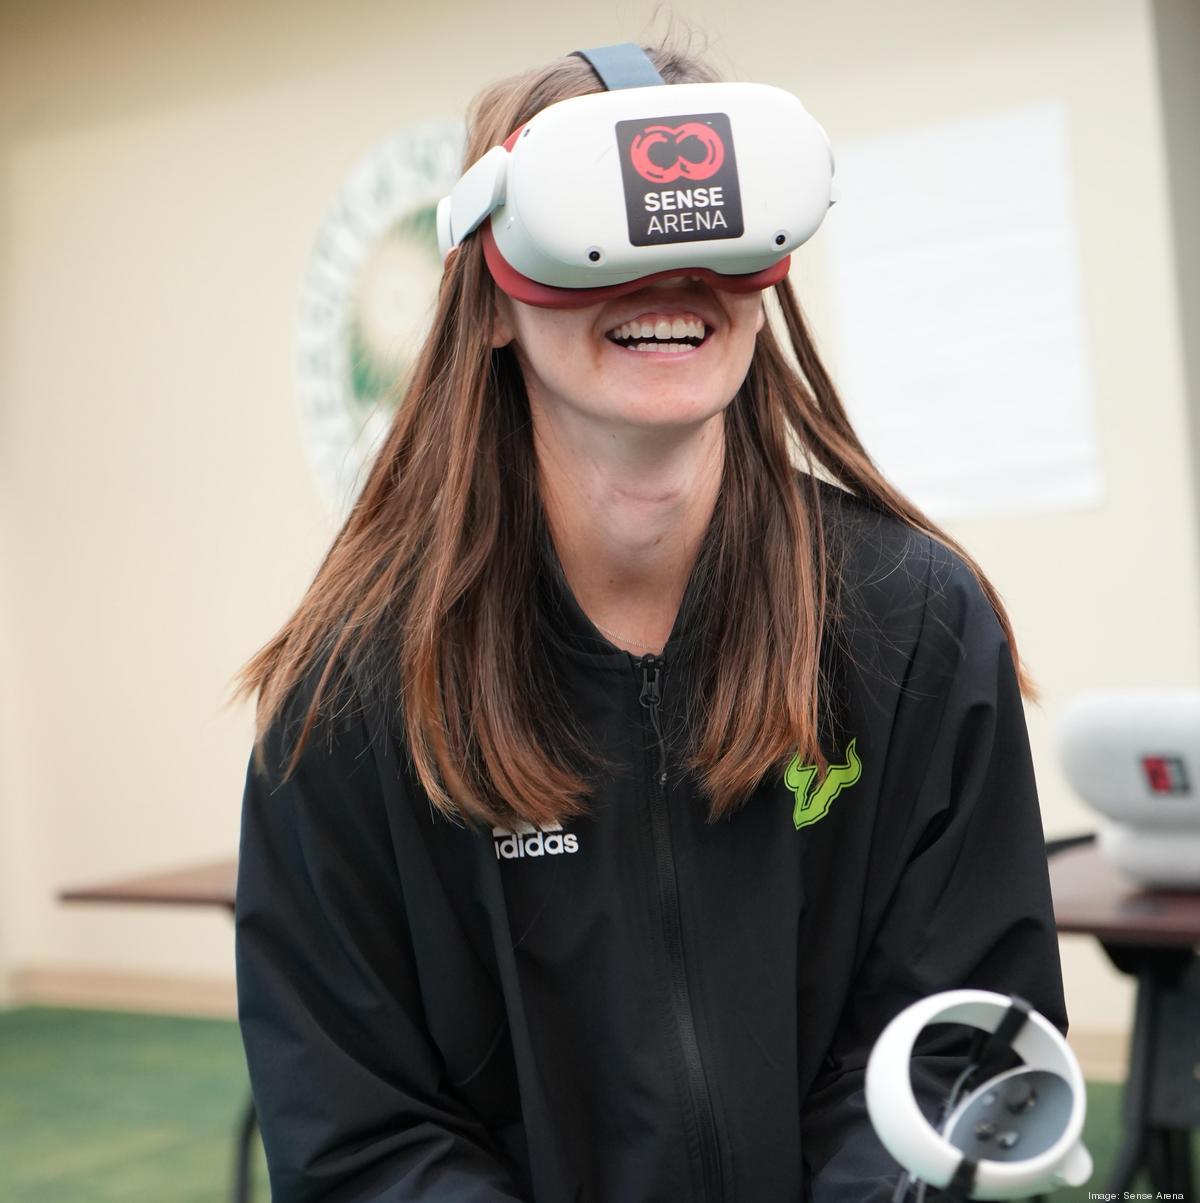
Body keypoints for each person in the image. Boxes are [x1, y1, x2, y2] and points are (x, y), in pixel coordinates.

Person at [232, 42, 1067, 1203]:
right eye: (595, 235)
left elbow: (960, 1043)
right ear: (487, 306)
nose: (668, 278)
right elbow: (361, 1134)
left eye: (712, 234)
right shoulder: (357, 693)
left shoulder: (913, 623)